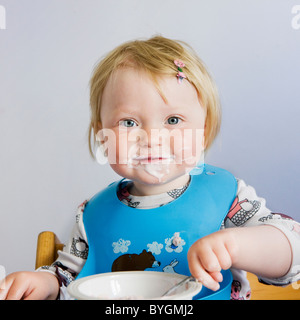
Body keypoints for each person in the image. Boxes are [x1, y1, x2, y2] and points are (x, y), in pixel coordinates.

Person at [1, 36, 300, 300]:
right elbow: (67, 278)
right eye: (128, 122)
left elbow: (292, 249)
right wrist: (45, 282)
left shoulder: (226, 197)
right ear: (101, 134)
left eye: (172, 120)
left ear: (204, 130)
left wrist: (237, 245)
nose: (152, 139)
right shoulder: (93, 213)